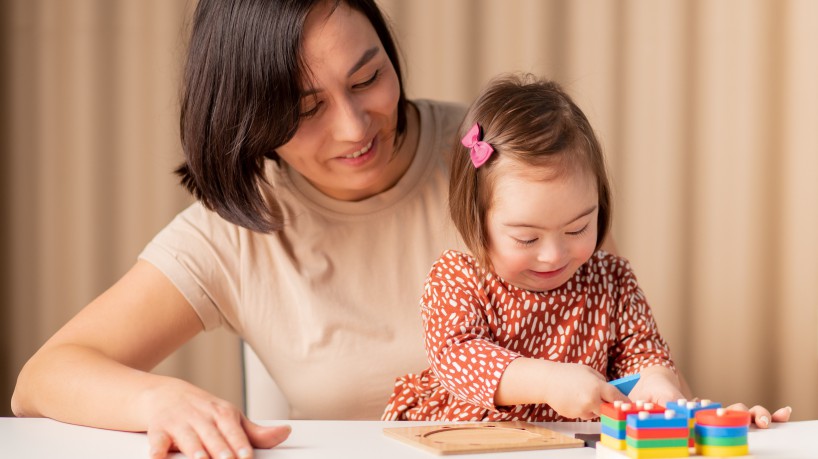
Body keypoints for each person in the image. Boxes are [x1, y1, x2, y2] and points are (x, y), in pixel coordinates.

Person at [10, 0, 789, 458]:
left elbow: (612, 328)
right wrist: (165, 401)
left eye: (368, 76)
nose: (355, 126)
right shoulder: (233, 233)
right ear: (246, 114)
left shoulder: (494, 160)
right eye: (306, 106)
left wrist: (684, 412)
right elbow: (44, 377)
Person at [382, 74, 793, 425]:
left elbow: (642, 352)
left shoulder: (611, 281)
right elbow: (457, 357)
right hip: (460, 440)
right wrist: (547, 381)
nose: (554, 255)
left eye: (578, 227)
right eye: (527, 238)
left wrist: (660, 388)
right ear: (475, 221)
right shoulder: (458, 278)